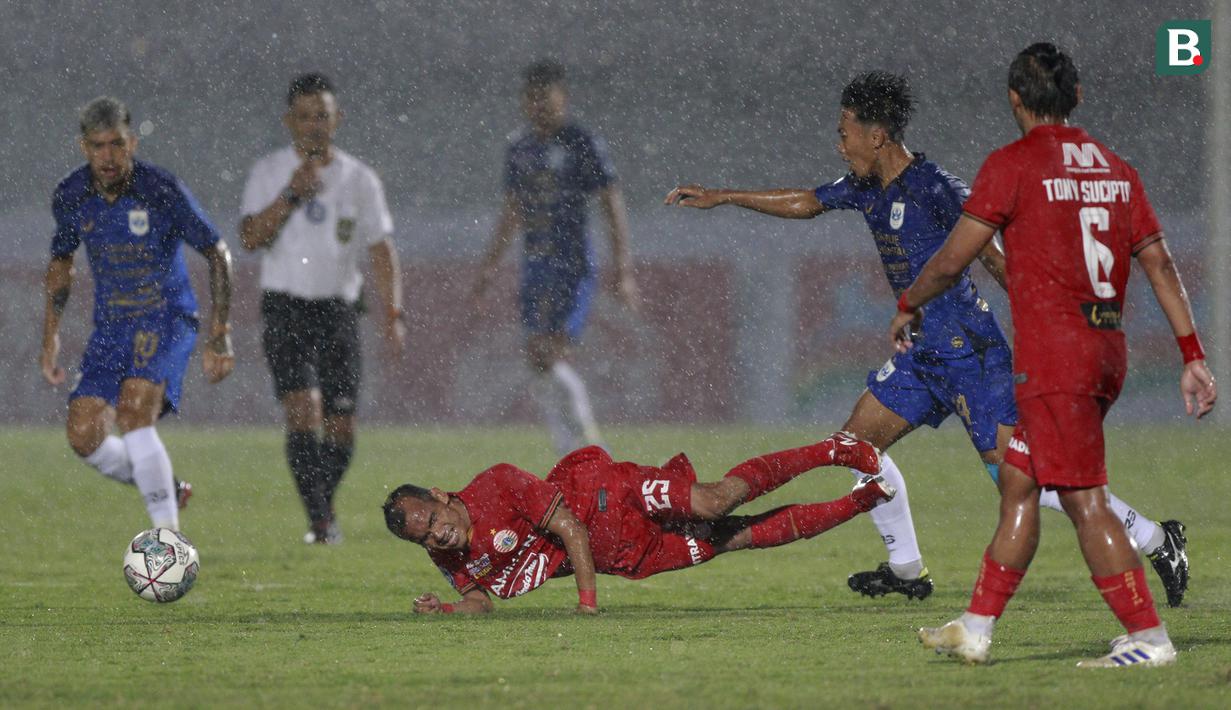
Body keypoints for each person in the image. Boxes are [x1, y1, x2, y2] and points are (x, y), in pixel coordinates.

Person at [665, 72, 1189, 605]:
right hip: (919, 356)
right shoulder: (867, 187)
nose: (839, 144)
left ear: (878, 136)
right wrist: (725, 196)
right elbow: (806, 201)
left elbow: (990, 251)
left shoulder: (935, 187)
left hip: (972, 355)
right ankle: (907, 568)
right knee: (856, 449)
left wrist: (1047, 314)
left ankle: (1155, 537)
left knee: (1025, 479)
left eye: (845, 132)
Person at [889, 43, 1217, 667]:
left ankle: (1149, 638)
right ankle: (977, 627)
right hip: (1103, 349)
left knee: (1084, 499)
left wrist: (910, 301)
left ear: (1015, 100)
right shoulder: (1117, 168)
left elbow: (956, 258)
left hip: (1055, 360)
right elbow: (1159, 262)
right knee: (1018, 481)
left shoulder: (1012, 165)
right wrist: (1191, 353)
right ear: (1078, 98)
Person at [383, 433, 889, 614]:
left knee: (713, 502)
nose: (435, 535)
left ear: (439, 495)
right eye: (422, 536)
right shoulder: (446, 553)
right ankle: (862, 501)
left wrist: (586, 606)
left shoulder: (495, 484)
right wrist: (448, 609)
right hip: (626, 556)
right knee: (739, 537)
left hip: (609, 497)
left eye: (431, 521)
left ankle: (831, 448)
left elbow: (571, 531)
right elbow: (478, 600)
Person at [40, 96, 234, 532]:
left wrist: (219, 331)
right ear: (83, 147)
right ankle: (167, 485)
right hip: (111, 325)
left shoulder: (161, 190)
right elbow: (61, 265)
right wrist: (50, 335)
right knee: (83, 435)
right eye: (97, 146)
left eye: (116, 145)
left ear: (132, 143)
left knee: (132, 413)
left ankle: (168, 542)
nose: (107, 157)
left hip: (166, 317)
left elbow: (217, 252)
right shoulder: (71, 196)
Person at [240, 73, 405, 544]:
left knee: (341, 425)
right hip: (286, 308)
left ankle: (322, 507)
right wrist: (292, 195)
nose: (315, 126)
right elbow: (250, 238)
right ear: (289, 120)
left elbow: (380, 249)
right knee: (303, 410)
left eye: (323, 116)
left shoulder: (360, 179)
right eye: (306, 116)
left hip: (338, 311)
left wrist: (394, 313)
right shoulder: (270, 172)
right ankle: (320, 521)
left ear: (338, 119)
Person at [470, 59, 638, 455]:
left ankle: (586, 444)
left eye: (546, 97)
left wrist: (623, 268)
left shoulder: (582, 143)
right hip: (535, 265)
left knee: (552, 352)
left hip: (573, 265)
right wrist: (489, 267)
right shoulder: (520, 148)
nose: (539, 106)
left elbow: (610, 200)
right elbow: (512, 211)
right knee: (538, 359)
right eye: (531, 98)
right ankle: (573, 446)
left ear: (563, 98)